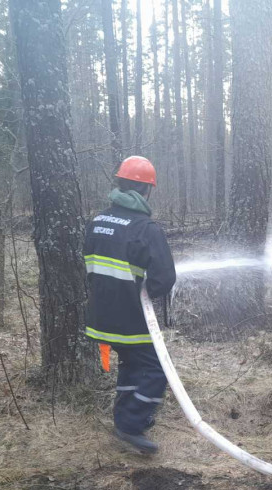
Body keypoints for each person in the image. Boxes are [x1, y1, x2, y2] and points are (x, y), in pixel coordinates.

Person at [84, 156, 176, 454]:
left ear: (120, 184)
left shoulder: (97, 221)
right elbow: (164, 280)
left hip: (99, 316)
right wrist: (147, 287)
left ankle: (124, 418)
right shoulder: (146, 229)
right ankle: (131, 425)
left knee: (132, 364)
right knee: (157, 369)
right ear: (147, 190)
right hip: (131, 318)